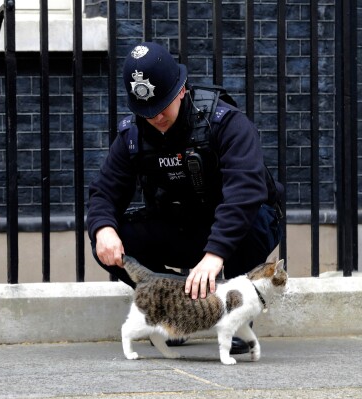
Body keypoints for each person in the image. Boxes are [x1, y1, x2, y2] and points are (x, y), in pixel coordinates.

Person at [86, 41, 284, 353]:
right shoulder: (132, 136)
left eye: (162, 107)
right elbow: (104, 192)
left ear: (181, 90)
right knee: (111, 238)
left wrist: (215, 254)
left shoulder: (225, 122)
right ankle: (177, 309)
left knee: (255, 219)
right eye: (146, 112)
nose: (156, 118)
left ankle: (230, 313)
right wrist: (103, 229)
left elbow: (246, 190)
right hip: (183, 225)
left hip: (235, 230)